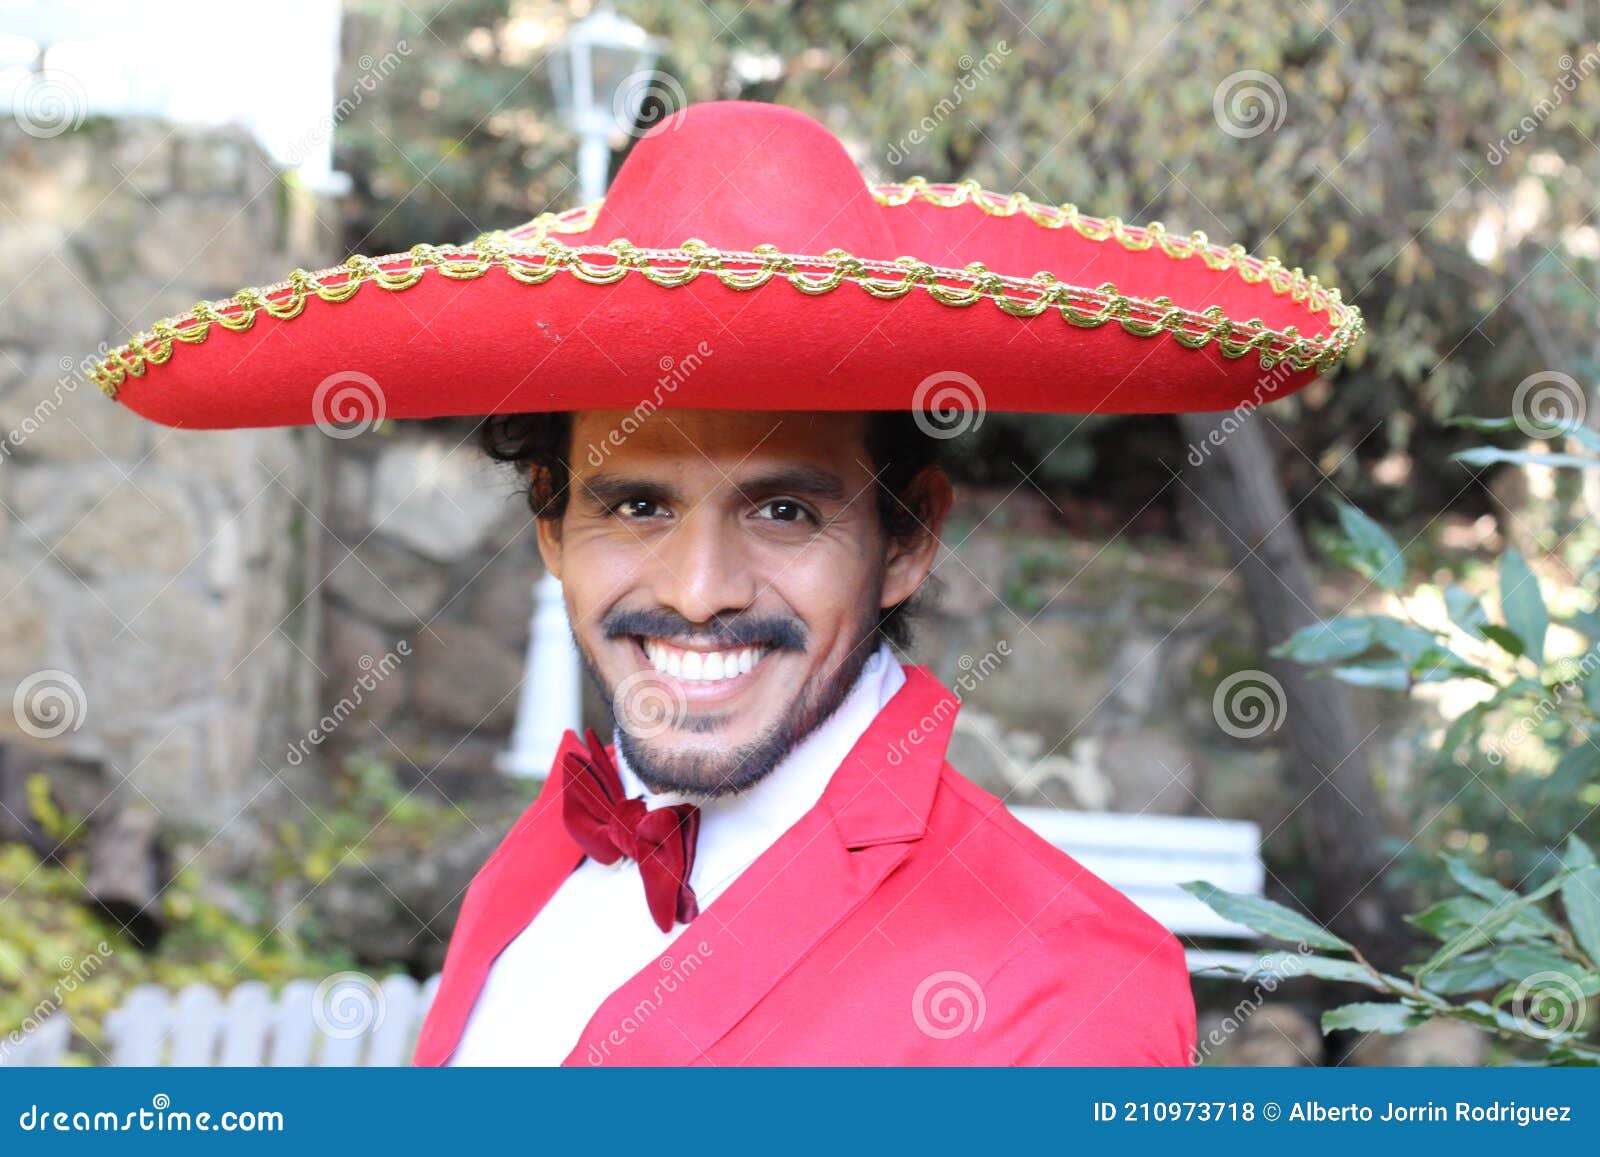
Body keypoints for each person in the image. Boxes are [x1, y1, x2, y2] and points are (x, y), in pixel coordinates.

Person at [89, 100, 1363, 1066]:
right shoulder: (542, 857)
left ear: (907, 536)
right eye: (636, 504)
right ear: (550, 525)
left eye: (784, 509)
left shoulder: (1064, 991)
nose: (698, 588)